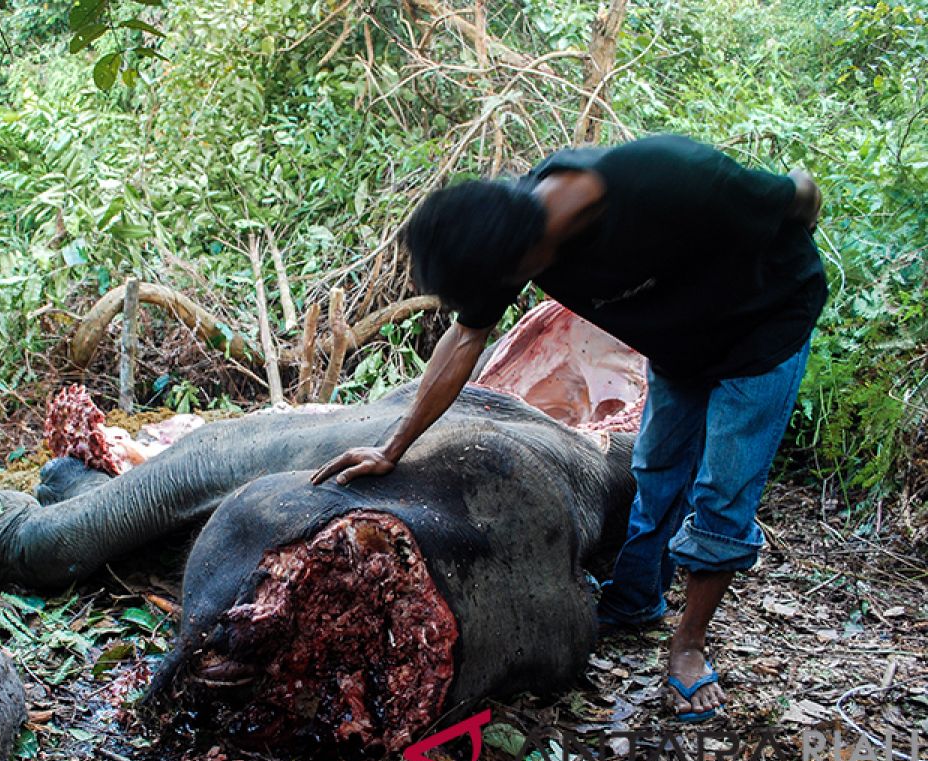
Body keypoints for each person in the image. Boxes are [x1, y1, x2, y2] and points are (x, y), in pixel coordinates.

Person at [311, 134, 825, 722]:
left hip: (765, 331)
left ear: (528, 256)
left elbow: (801, 194)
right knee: (655, 469)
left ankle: (687, 647)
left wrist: (757, 273)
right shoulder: (502, 234)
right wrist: (391, 447)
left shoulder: (669, 179)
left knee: (721, 493)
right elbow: (466, 339)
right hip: (680, 346)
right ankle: (636, 602)